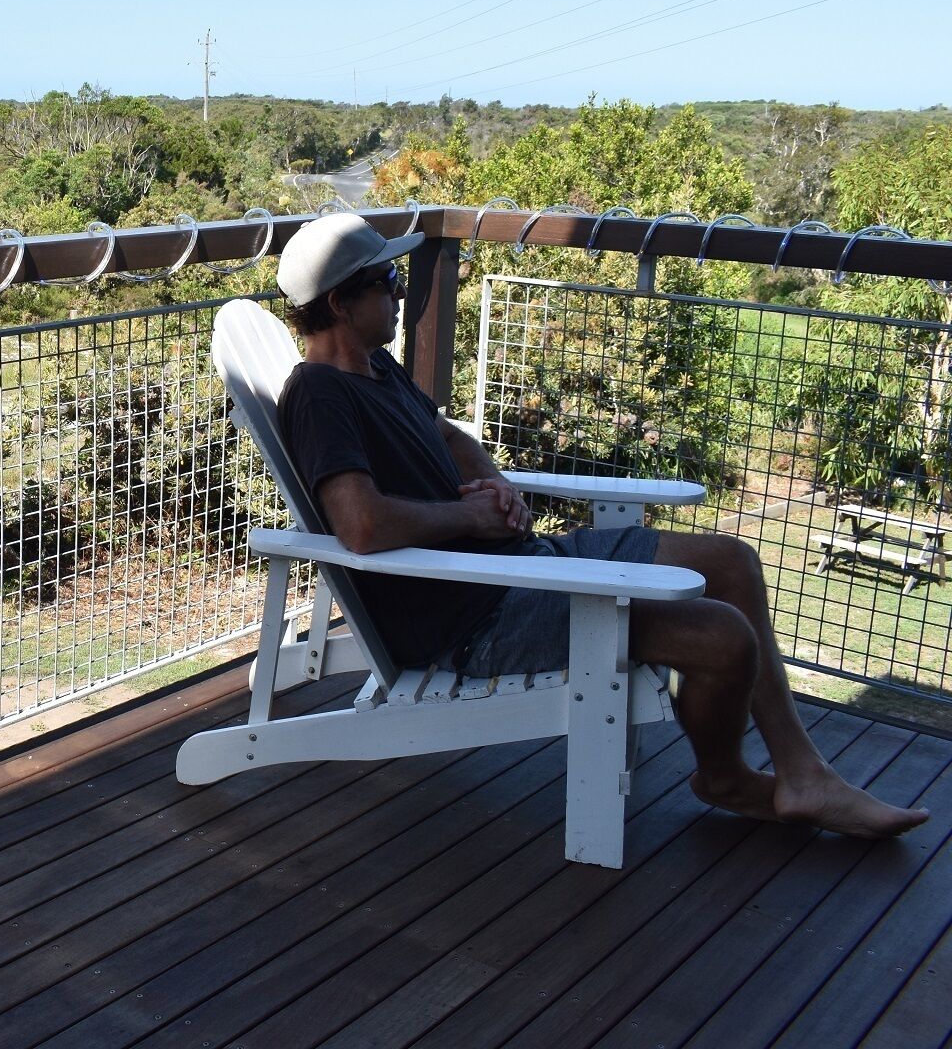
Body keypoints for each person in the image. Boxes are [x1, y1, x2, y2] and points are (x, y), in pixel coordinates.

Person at [274, 213, 927, 840]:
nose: (400, 294)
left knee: (731, 561)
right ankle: (725, 779)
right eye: (388, 284)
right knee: (724, 639)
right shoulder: (319, 394)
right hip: (473, 616)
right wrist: (466, 515)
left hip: (514, 566)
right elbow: (359, 526)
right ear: (339, 304)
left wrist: (494, 487)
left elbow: (446, 436)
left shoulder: (374, 366)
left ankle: (803, 771)